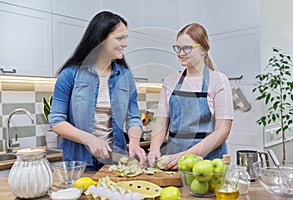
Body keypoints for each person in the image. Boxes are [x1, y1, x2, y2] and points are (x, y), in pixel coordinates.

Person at [48, 11, 146, 171]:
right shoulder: (70, 74)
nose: (125, 44)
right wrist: (90, 140)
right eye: (119, 38)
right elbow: (56, 121)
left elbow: (133, 118)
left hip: (115, 161)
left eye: (125, 38)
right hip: (78, 162)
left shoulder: (126, 76)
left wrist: (134, 143)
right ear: (101, 39)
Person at [147, 23, 233, 170]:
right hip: (173, 162)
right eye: (178, 48)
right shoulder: (170, 81)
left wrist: (186, 155)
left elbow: (222, 131)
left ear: (203, 49)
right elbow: (161, 122)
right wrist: (154, 149)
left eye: (187, 48)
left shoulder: (219, 81)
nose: (180, 53)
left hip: (208, 163)